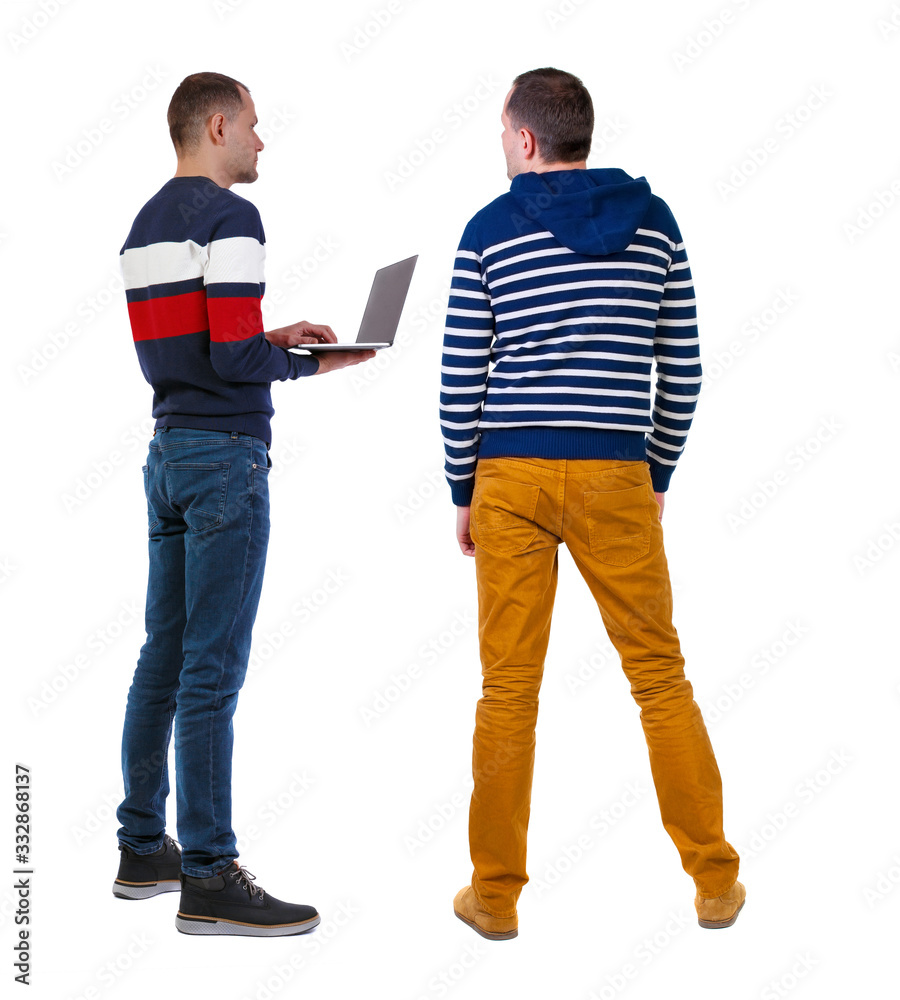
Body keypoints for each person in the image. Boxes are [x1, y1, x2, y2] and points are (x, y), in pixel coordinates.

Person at [441, 67, 745, 941]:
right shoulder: (657, 224)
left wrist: (463, 487)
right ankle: (715, 881)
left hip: (509, 479)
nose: (502, 147)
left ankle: (494, 897)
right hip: (618, 474)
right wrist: (657, 473)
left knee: (508, 690)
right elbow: (682, 368)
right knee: (659, 676)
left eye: (504, 133)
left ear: (526, 139)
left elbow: (460, 377)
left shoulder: (489, 230)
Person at [112, 72, 374, 937]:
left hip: (167, 457)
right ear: (218, 125)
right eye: (255, 126)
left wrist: (270, 335)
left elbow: (194, 351)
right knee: (211, 672)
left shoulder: (144, 226)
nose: (262, 141)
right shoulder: (234, 217)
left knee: (163, 657)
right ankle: (211, 875)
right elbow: (229, 362)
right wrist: (315, 362)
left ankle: (142, 849)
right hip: (225, 460)